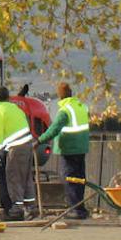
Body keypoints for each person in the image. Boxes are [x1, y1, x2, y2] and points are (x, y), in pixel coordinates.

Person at [37, 82, 91, 220]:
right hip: (81, 148)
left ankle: (75, 209)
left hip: (69, 149)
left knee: (68, 178)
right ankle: (80, 208)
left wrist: (39, 141)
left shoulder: (65, 111)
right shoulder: (81, 107)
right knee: (79, 179)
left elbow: (54, 129)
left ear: (60, 96)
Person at [0, 87, 36, 220]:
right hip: (27, 144)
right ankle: (30, 207)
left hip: (16, 146)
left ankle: (16, 210)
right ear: (9, 97)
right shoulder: (15, 108)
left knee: (13, 177)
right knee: (26, 177)